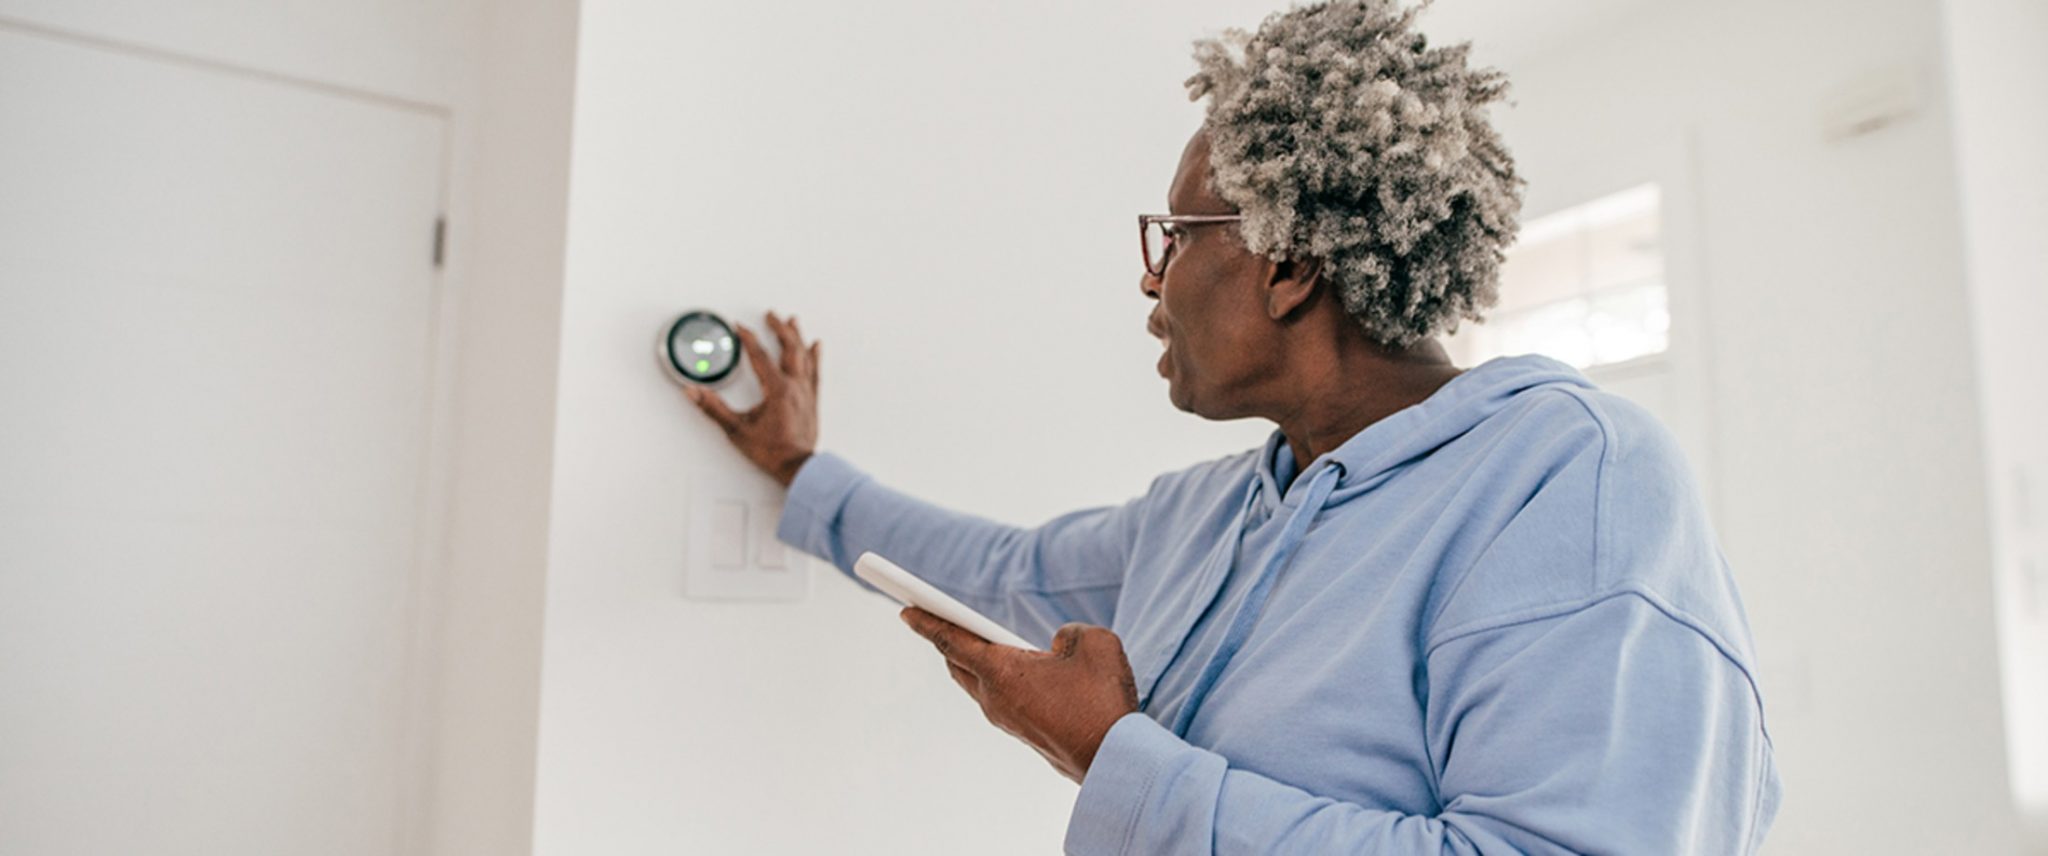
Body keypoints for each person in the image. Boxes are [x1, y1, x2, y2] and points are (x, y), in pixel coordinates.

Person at [684, 1, 1780, 852]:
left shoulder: (1566, 477)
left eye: (1176, 239)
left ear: (1289, 261)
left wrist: (1108, 754)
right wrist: (800, 468)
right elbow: (1005, 568)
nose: (1151, 285)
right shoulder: (1209, 511)